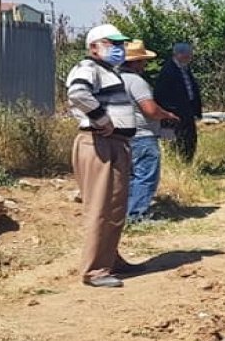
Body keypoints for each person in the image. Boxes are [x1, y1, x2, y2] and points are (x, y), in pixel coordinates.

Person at [65, 24, 140, 288]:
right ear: (94, 47)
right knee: (101, 206)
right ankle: (95, 270)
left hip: (114, 144)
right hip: (100, 143)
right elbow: (77, 93)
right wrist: (101, 119)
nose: (118, 49)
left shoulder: (108, 71)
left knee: (114, 205)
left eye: (120, 44)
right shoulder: (88, 68)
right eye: (111, 43)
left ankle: (110, 259)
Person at [120, 40, 180, 223]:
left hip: (123, 136)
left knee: (130, 176)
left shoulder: (113, 80)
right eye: (143, 61)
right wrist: (167, 115)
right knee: (146, 175)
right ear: (136, 62)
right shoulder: (137, 83)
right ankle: (137, 215)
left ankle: (128, 213)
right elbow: (150, 110)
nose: (145, 65)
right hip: (142, 135)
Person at [154, 42, 202, 162]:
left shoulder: (185, 68)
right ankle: (175, 164)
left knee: (189, 138)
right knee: (171, 140)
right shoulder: (168, 71)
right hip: (172, 113)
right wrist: (168, 112)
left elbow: (191, 89)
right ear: (179, 55)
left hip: (187, 111)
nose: (190, 58)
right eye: (188, 55)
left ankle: (186, 163)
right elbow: (161, 94)